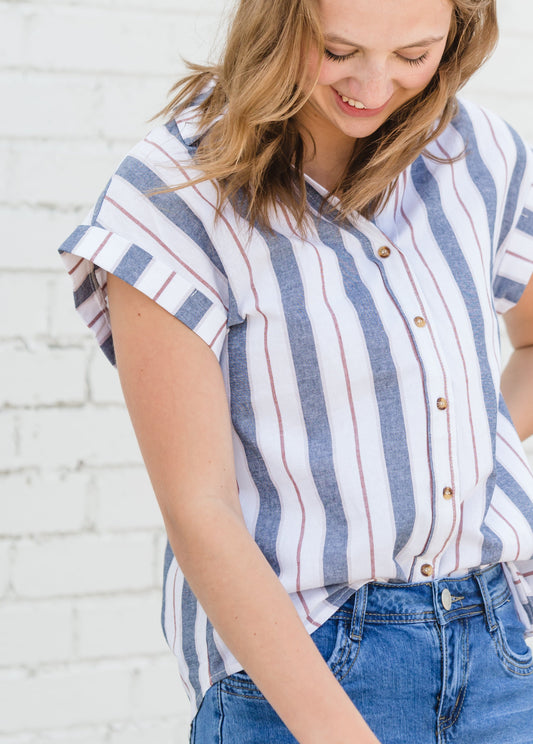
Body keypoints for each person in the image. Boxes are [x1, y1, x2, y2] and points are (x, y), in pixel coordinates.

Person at [58, 0, 533, 741]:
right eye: (338, 50)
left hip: (500, 649)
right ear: (279, 22)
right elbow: (199, 511)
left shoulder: (481, 157)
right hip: (304, 663)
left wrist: (473, 440)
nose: (374, 85)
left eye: (414, 56)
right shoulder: (172, 194)